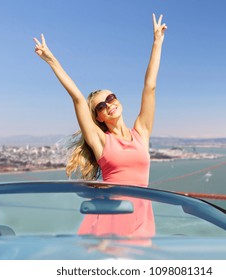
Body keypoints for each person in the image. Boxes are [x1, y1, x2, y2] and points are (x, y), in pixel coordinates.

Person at [34, 14, 167, 237]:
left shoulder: (141, 133)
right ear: (98, 118)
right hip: (109, 224)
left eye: (111, 98)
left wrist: (157, 42)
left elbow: (150, 87)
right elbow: (77, 98)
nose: (109, 105)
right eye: (101, 106)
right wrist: (50, 59)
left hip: (143, 222)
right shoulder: (101, 142)